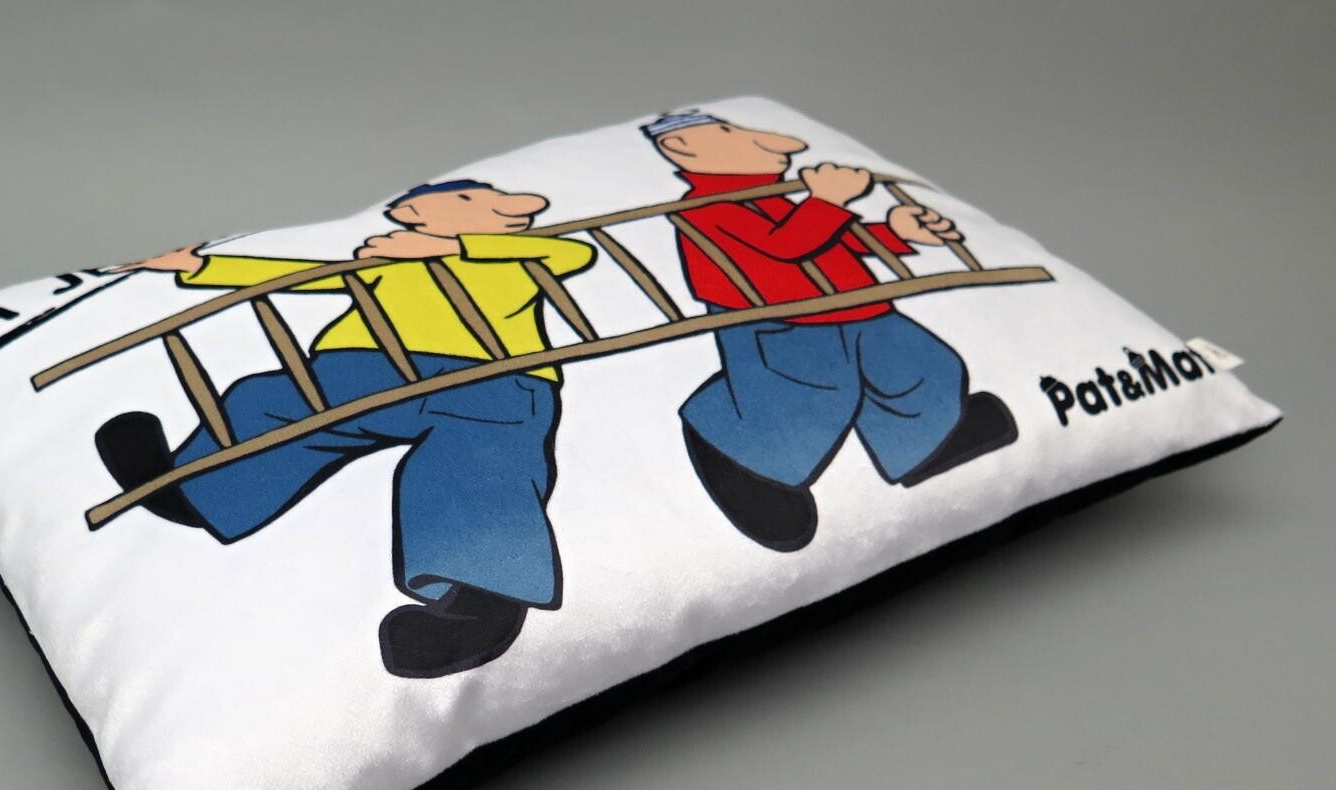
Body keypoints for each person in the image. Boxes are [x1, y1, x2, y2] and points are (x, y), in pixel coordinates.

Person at [94, 180, 595, 678]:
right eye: (414, 209)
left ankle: (478, 605)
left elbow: (573, 252)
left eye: (459, 202)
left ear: (509, 211)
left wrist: (452, 248)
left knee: (475, 464)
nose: (413, 214)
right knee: (268, 400)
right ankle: (194, 493)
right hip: (368, 363)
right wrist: (199, 266)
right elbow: (304, 276)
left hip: (490, 376)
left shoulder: (523, 253)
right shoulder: (388, 259)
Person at [644, 112, 1018, 551]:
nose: (766, 141)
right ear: (682, 148)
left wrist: (894, 234)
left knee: (920, 367)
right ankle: (739, 460)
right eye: (727, 132)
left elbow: (835, 239)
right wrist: (826, 200)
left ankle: (927, 445)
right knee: (805, 397)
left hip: (857, 305)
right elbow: (786, 245)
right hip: (780, 321)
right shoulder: (707, 208)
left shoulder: (774, 196)